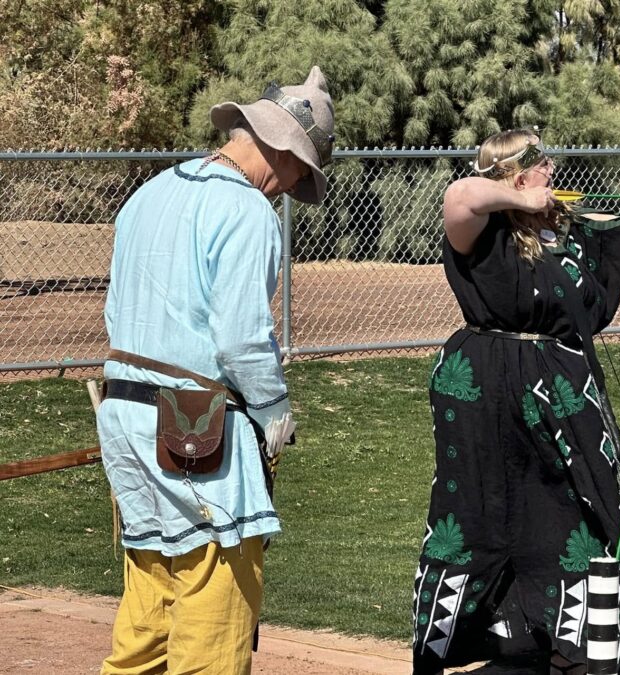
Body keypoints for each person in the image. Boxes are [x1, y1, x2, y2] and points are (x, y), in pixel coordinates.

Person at [413, 129, 620, 675]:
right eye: (541, 167)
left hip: (559, 389)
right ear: (517, 177)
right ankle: (489, 631)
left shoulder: (566, 231)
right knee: (480, 505)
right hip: (483, 393)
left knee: (582, 499)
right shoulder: (482, 231)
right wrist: (520, 200)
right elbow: (459, 196)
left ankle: (584, 638)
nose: (553, 174)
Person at [96, 67, 334, 675]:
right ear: (282, 149)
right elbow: (241, 337)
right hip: (191, 428)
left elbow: (115, 312)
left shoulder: (147, 195)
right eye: (300, 172)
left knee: (150, 605)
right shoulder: (246, 211)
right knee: (216, 603)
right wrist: (274, 410)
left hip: (123, 415)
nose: (291, 188)